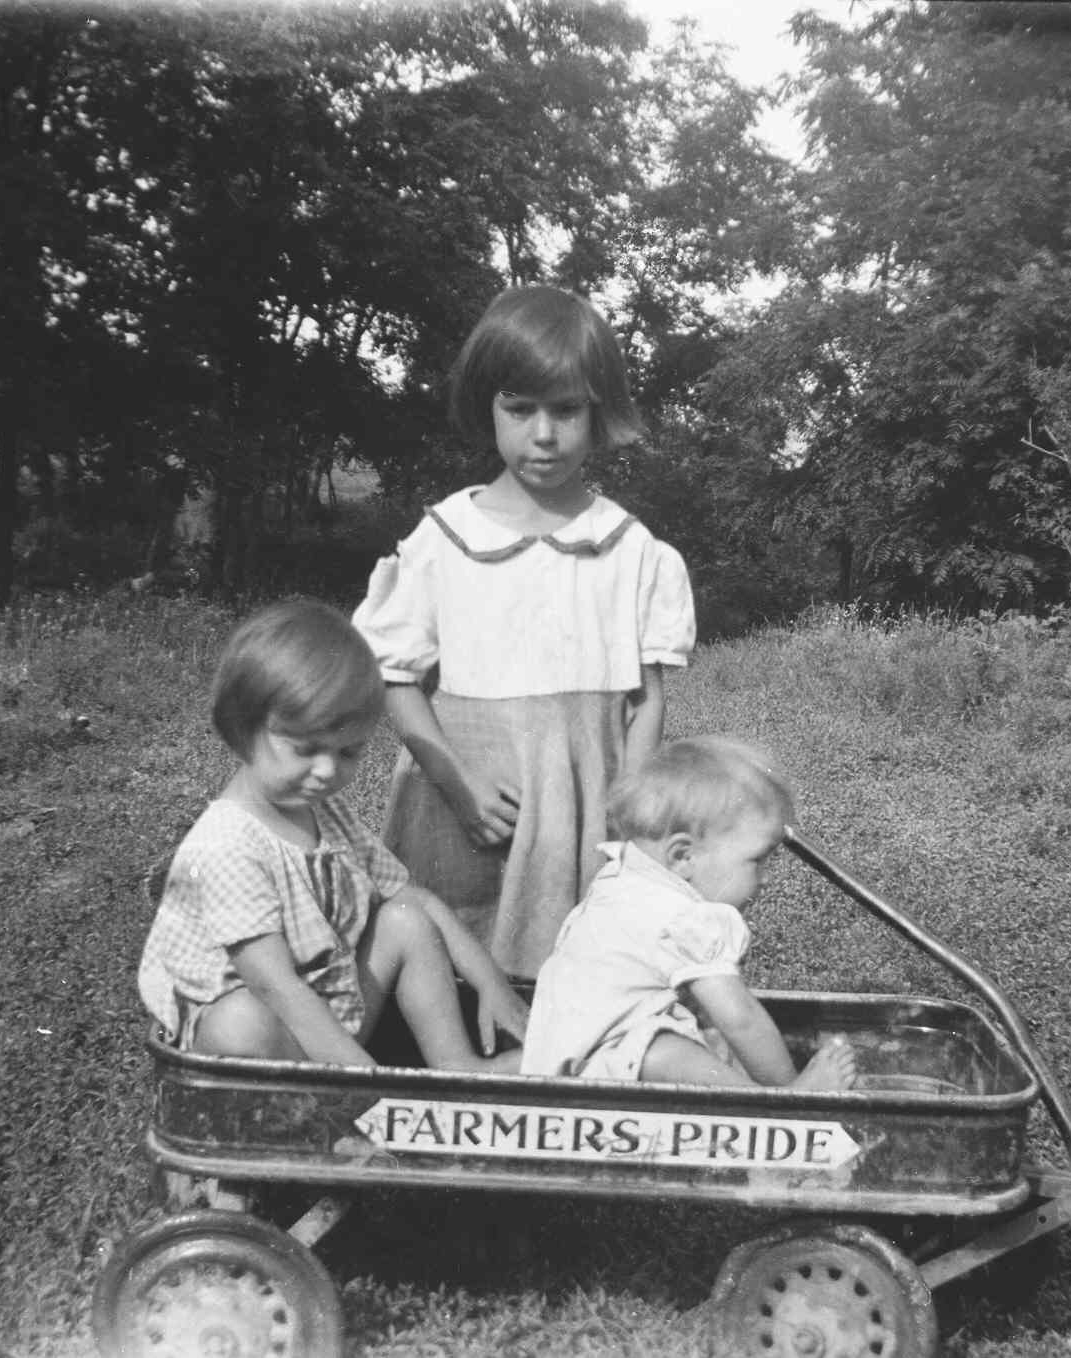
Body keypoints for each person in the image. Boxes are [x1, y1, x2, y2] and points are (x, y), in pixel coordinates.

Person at [353, 284, 696, 979]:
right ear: (489, 406)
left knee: (579, 970)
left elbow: (644, 700)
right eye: (520, 408)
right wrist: (458, 784)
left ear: (598, 412)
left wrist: (627, 817)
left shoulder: (626, 547)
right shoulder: (447, 537)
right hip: (467, 806)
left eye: (565, 410)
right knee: (450, 967)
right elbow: (395, 677)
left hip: (583, 811)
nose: (543, 434)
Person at [137, 599, 528, 1072]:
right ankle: (344, 1107)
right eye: (306, 749)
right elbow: (277, 988)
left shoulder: (323, 811)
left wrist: (491, 982)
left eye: (348, 753)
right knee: (237, 1021)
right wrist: (371, 1091)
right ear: (242, 729)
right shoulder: (228, 847)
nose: (326, 771)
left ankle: (458, 1068)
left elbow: (414, 898)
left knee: (405, 919)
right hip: (267, 1048)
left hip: (332, 1018)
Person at [520, 736, 857, 1090]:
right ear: (683, 857)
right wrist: (792, 1087)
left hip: (559, 1058)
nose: (767, 878)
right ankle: (780, 1106)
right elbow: (741, 1019)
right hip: (596, 1075)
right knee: (666, 1054)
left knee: (686, 1038)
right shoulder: (683, 919)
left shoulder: (624, 876)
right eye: (757, 860)